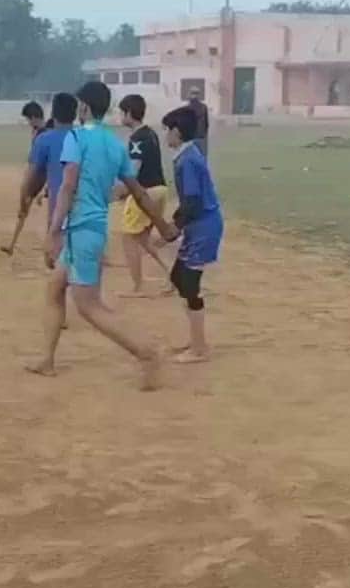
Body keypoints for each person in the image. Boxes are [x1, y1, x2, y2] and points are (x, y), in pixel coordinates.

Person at [26, 81, 178, 390]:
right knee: (55, 288)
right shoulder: (113, 145)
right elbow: (136, 190)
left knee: (89, 306)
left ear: (83, 107)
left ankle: (146, 353)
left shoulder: (76, 138)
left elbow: (67, 186)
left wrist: (53, 232)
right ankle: (47, 360)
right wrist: (161, 224)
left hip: (79, 230)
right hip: (90, 229)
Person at [160, 106, 224, 363]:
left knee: (188, 283)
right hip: (198, 225)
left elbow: (193, 201)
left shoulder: (188, 160)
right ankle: (195, 341)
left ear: (176, 131)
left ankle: (200, 349)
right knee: (179, 277)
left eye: (167, 130)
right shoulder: (188, 155)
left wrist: (174, 228)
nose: (165, 135)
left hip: (204, 226)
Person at [2, 93, 77, 256]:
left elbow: (43, 167)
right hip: (58, 184)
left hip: (44, 179)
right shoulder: (74, 136)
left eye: (29, 119)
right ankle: (13, 243)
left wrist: (37, 189)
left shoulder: (44, 136)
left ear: (35, 117)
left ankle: (17, 244)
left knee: (28, 210)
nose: (28, 123)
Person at [115, 94, 173, 296]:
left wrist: (119, 192)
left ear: (129, 113)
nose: (120, 116)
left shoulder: (137, 139)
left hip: (145, 192)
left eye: (122, 112)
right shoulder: (150, 134)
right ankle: (173, 273)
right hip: (161, 190)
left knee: (128, 238)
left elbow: (133, 171)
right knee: (142, 239)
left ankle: (138, 286)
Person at [187, 87, 210, 157]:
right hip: (202, 136)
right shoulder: (204, 107)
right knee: (203, 157)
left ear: (190, 95)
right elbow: (206, 124)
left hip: (192, 138)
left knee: (193, 158)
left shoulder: (187, 108)